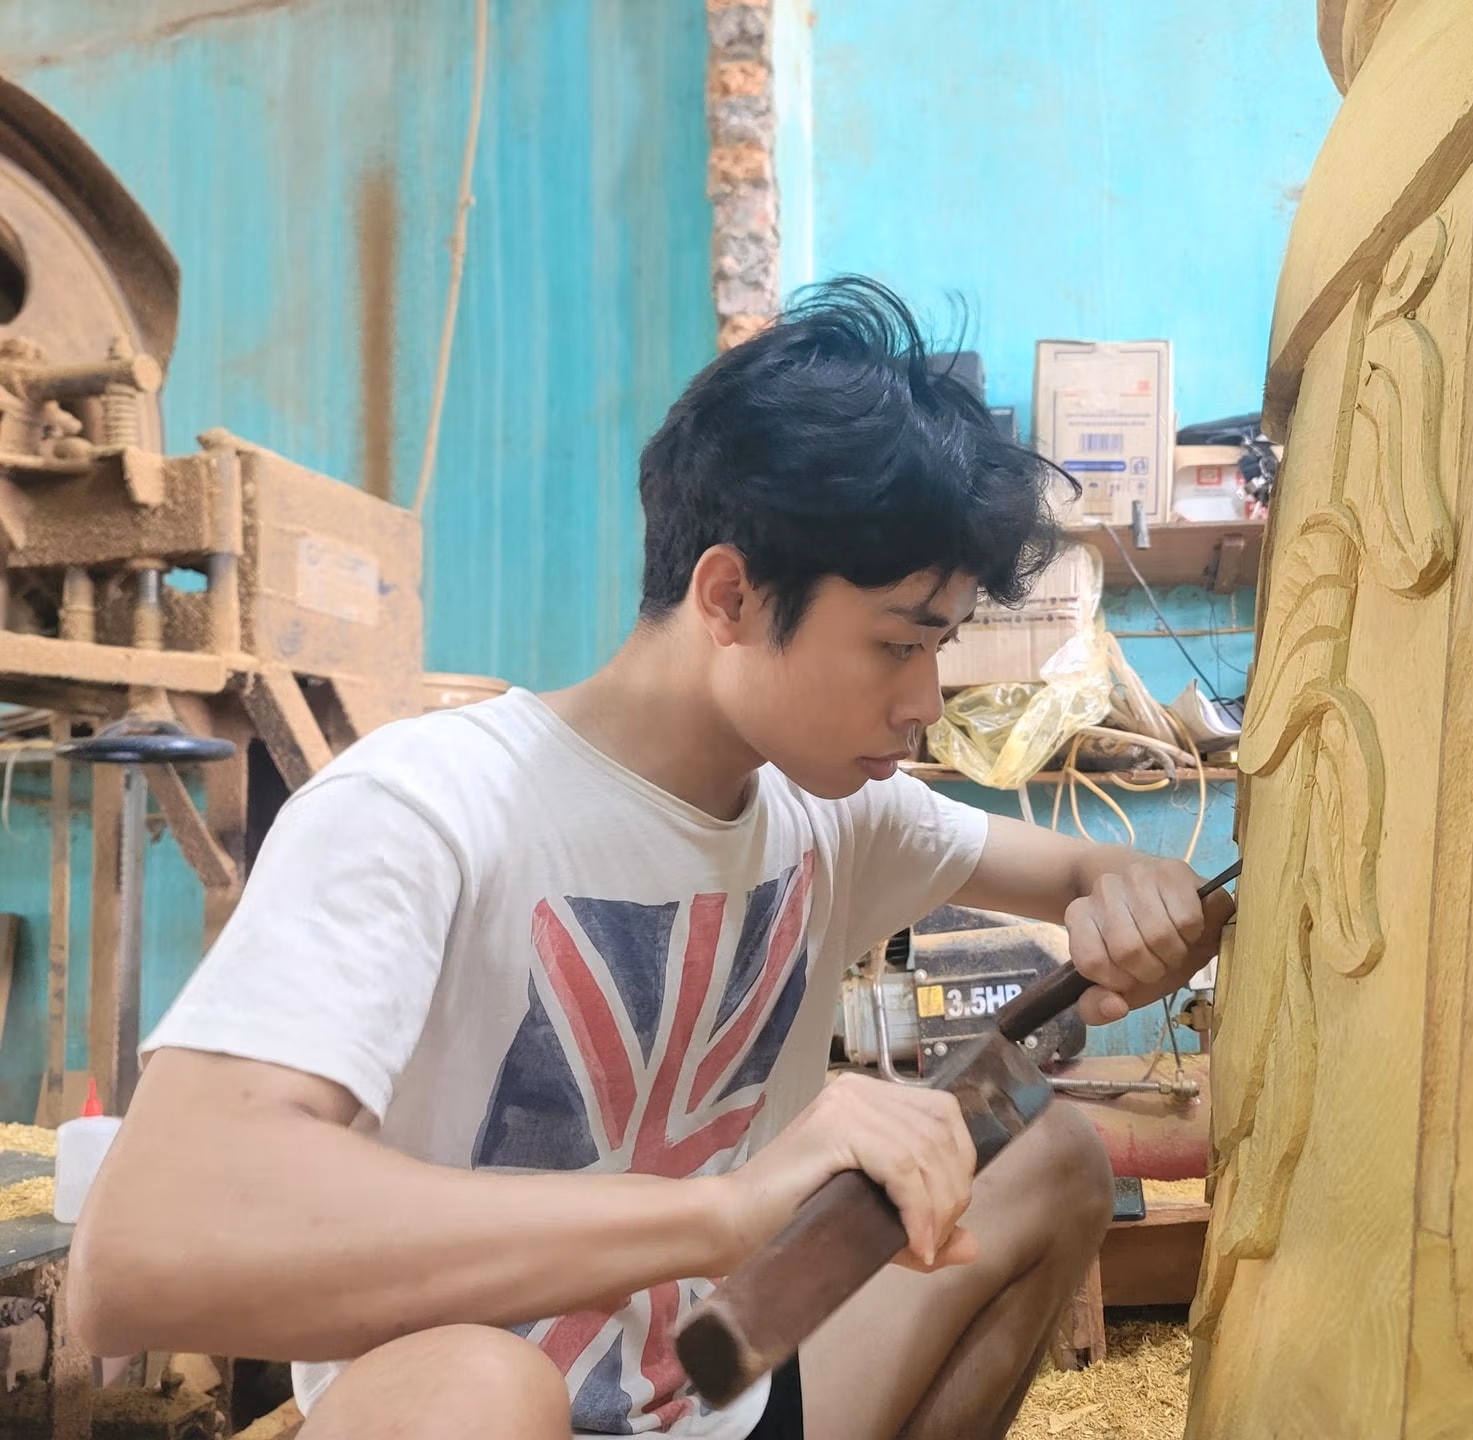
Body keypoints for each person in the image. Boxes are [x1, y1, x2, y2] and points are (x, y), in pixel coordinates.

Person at [67, 278, 1232, 1440]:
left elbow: (1080, 875)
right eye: (896, 645)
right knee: (476, 1388)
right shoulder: (426, 809)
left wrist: (1136, 902)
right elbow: (142, 1252)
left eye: (940, 648)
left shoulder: (837, 811)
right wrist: (725, 1215)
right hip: (496, 1420)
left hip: (724, 1392)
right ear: (729, 596)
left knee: (1047, 1156)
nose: (924, 702)